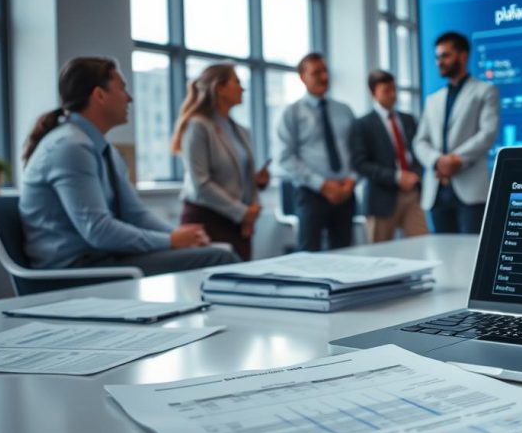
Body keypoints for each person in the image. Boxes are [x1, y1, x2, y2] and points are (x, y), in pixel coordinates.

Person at [20, 57, 239, 273]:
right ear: (99, 95)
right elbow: (99, 231)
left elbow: (136, 215)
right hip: (77, 269)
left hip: (104, 258)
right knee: (220, 256)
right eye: (122, 89)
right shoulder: (69, 147)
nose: (129, 98)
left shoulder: (103, 149)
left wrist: (181, 237)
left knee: (218, 250)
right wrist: (171, 240)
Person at [171, 63, 269, 261]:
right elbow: (201, 183)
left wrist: (255, 192)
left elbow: (239, 177)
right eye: (237, 82)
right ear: (219, 87)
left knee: (241, 284)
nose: (243, 88)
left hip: (237, 224)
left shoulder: (241, 131)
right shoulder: (198, 126)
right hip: (207, 220)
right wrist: (242, 212)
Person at [413, 32, 500, 234]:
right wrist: (437, 160)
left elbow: (488, 133)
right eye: (437, 57)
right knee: (442, 253)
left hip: (470, 189)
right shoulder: (433, 99)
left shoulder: (485, 91)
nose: (439, 62)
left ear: (463, 56)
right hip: (436, 191)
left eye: (445, 56)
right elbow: (420, 141)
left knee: (472, 253)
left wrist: (456, 160)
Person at [276, 53, 357, 251]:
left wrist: (351, 180)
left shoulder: (344, 110)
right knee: (308, 253)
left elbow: (357, 151)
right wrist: (322, 185)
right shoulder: (291, 113)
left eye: (325, 71)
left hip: (345, 192)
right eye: (316, 73)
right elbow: (285, 157)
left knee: (346, 253)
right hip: (311, 193)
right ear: (302, 77)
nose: (323, 77)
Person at [349, 70, 429, 243]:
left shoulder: (408, 119)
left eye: (394, 89)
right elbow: (360, 163)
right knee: (380, 253)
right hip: (381, 197)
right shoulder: (362, 124)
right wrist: (396, 177)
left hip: (412, 193)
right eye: (386, 90)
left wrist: (415, 175)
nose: (393, 95)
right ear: (373, 93)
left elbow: (419, 151)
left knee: (421, 244)